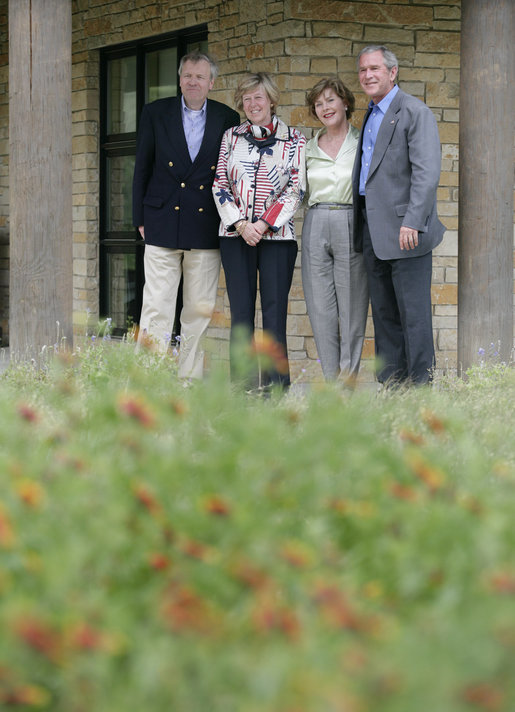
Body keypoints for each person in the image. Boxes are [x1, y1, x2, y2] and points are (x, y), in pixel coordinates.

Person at [132, 51, 239, 378]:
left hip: (205, 226)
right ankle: (147, 384)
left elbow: (229, 173)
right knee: (156, 308)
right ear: (180, 80)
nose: (193, 81)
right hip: (160, 220)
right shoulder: (155, 112)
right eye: (187, 75)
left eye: (200, 76)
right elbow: (142, 167)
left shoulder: (227, 117)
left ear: (211, 82)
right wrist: (139, 217)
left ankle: (187, 382)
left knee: (197, 312)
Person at [352, 45, 445, 386]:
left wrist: (412, 221)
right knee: (385, 315)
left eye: (375, 68)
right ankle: (392, 387)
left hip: (406, 230)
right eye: (363, 70)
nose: (368, 75)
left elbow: (426, 172)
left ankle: (421, 389)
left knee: (414, 317)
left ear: (392, 73)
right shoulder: (370, 113)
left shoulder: (414, 111)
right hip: (372, 229)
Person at [212, 72, 306, 391]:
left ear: (271, 100)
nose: (253, 104)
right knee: (241, 317)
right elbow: (220, 183)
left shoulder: (294, 139)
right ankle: (242, 389)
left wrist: (263, 224)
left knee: (274, 318)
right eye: (247, 99)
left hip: (277, 240)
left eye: (259, 98)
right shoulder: (231, 137)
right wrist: (240, 224)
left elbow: (295, 189)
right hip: (235, 238)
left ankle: (276, 390)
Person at [302, 77, 369, 382]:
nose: (325, 108)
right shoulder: (307, 148)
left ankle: (348, 382)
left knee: (353, 308)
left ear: (345, 102)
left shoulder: (362, 142)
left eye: (330, 100)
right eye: (319, 104)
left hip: (349, 220)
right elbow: (295, 191)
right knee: (321, 309)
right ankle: (332, 382)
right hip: (315, 222)